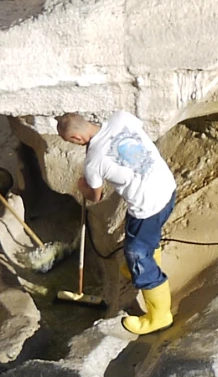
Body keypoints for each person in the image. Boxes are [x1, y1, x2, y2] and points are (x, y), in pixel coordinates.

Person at [58, 110, 178, 336]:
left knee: (137, 254)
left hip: (147, 206)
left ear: (76, 139)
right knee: (141, 237)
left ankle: (160, 316)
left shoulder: (93, 161)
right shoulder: (120, 118)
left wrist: (83, 186)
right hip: (167, 189)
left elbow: (95, 196)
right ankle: (144, 264)